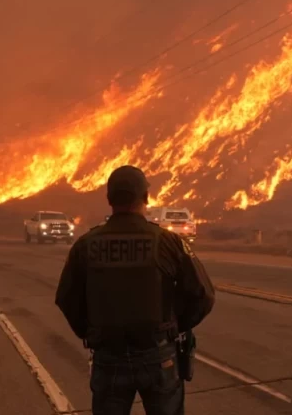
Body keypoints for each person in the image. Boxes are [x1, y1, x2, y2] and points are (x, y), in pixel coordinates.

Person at [55, 165, 215, 415]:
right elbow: (203, 295)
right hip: (158, 354)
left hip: (108, 355)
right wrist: (175, 326)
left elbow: (66, 297)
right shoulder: (167, 242)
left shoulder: (86, 245)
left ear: (109, 199)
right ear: (146, 198)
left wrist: (90, 331)